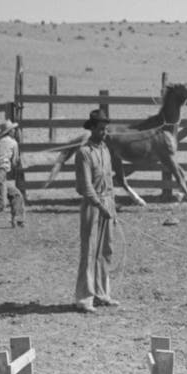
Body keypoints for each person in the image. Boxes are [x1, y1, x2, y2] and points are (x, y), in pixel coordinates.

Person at [73, 109, 119, 313]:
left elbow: (109, 181)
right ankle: (84, 298)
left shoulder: (105, 150)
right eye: (101, 129)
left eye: (106, 129)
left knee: (105, 250)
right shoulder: (84, 153)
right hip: (93, 206)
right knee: (90, 251)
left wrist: (112, 208)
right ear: (92, 129)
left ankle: (102, 294)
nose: (104, 133)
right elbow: (85, 186)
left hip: (108, 203)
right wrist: (100, 206)